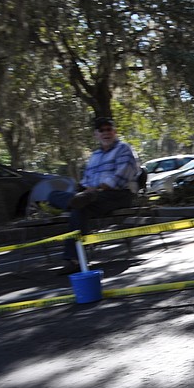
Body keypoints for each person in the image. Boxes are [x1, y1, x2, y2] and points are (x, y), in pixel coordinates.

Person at [48, 116, 141, 274]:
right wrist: (83, 189)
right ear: (96, 134)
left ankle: (72, 260)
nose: (106, 133)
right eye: (101, 130)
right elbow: (86, 180)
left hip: (118, 194)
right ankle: (72, 201)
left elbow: (120, 177)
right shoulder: (95, 155)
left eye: (109, 129)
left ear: (115, 132)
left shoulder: (124, 149)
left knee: (82, 204)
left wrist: (95, 189)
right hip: (92, 196)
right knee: (58, 196)